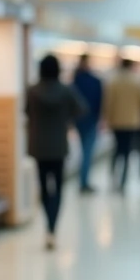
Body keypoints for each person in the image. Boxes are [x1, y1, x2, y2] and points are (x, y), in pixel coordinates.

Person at [25, 54, 86, 250]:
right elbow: (82, 109)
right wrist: (65, 117)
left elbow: (26, 111)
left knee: (43, 186)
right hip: (59, 145)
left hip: (38, 145)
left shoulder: (32, 91)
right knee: (58, 187)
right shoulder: (65, 90)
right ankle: (53, 226)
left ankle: (47, 225)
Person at [103, 58, 140, 192]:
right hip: (132, 121)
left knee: (116, 149)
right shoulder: (137, 81)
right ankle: (123, 182)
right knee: (127, 151)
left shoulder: (113, 81)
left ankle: (112, 177)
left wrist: (107, 118)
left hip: (117, 120)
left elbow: (108, 102)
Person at [71, 54, 103, 194]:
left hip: (79, 121)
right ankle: (84, 182)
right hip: (91, 120)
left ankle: (83, 180)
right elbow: (100, 101)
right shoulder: (95, 81)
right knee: (87, 152)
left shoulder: (76, 80)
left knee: (84, 151)